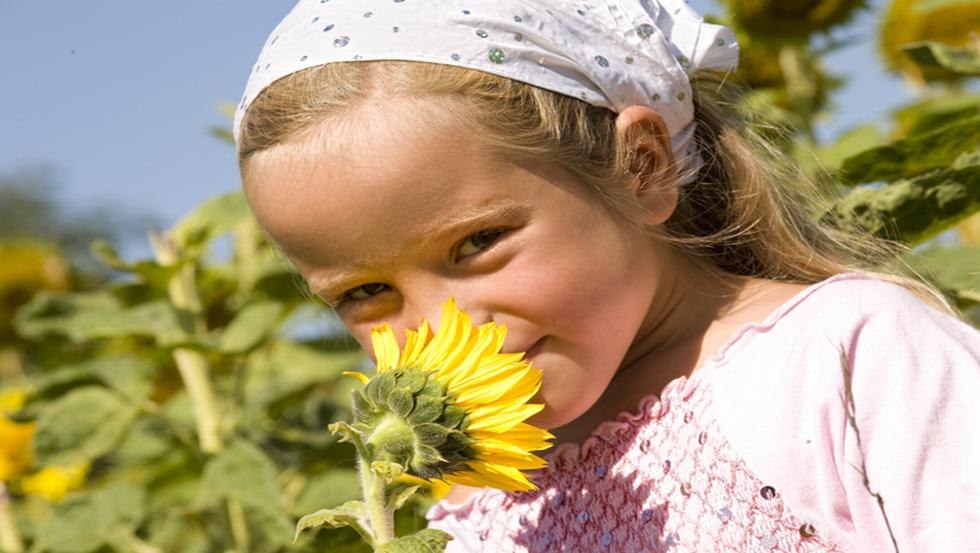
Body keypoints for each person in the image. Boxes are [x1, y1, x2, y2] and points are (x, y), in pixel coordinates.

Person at [232, 1, 980, 550]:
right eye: (364, 293)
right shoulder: (474, 497)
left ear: (640, 169)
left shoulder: (842, 358)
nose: (438, 331)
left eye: (477, 242)